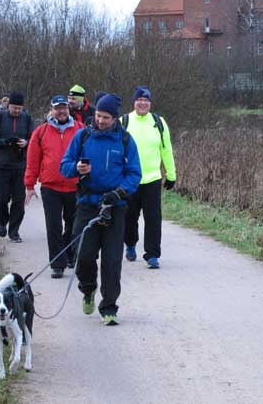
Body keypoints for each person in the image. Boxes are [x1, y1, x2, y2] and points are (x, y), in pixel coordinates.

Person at [60, 94, 141, 325]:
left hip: (115, 206)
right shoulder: (82, 136)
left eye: (106, 117)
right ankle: (88, 288)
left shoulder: (125, 140)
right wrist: (76, 168)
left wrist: (120, 192)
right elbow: (64, 166)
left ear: (115, 118)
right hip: (87, 204)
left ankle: (109, 308)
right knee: (83, 254)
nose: (101, 120)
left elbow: (135, 173)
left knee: (112, 260)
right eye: (98, 116)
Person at [24, 95, 84, 278]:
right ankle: (57, 263)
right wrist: (29, 185)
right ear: (51, 110)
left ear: (69, 109)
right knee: (54, 226)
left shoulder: (81, 130)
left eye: (64, 107)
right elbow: (33, 160)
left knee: (74, 226)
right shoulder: (41, 132)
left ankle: (71, 255)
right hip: (51, 187)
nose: (61, 111)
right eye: (57, 108)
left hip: (75, 186)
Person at [121, 86, 176, 269]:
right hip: (130, 179)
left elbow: (166, 149)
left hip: (152, 178)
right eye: (139, 100)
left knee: (153, 218)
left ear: (150, 103)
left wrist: (171, 174)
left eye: (146, 100)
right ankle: (130, 244)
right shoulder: (124, 121)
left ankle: (152, 255)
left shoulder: (159, 122)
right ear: (134, 102)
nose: (143, 103)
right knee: (129, 217)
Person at [0, 91, 34, 242]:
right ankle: (2, 222)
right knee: (1, 199)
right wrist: (4, 142)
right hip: (1, 165)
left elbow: (33, 137)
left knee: (19, 201)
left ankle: (14, 231)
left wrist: (26, 143)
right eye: (14, 108)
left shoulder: (27, 118)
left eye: (19, 108)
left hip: (20, 165)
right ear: (8, 105)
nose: (17, 111)